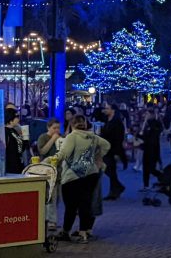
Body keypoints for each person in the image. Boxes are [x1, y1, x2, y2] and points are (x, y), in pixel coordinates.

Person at [56, 115, 110, 244]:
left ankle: (66, 231)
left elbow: (63, 154)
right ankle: (83, 233)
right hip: (90, 174)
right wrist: (98, 157)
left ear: (72, 125)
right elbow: (107, 145)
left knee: (70, 206)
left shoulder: (72, 137)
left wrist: (49, 161)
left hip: (72, 176)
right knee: (85, 204)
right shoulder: (93, 137)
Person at [37, 118, 63, 229]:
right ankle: (51, 220)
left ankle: (51, 217)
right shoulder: (43, 137)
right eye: (54, 128)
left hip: (59, 171)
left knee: (57, 197)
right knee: (50, 196)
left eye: (58, 128)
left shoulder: (61, 138)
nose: (56, 130)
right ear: (48, 127)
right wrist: (52, 139)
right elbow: (42, 151)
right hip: (48, 171)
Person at [101, 103, 127, 201]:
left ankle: (114, 191)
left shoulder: (117, 122)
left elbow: (119, 138)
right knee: (108, 169)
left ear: (113, 110)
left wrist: (117, 152)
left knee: (110, 169)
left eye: (107, 108)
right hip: (106, 149)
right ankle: (117, 187)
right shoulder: (107, 120)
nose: (105, 110)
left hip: (113, 149)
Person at [140, 109, 164, 190]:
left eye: (148, 114)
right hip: (146, 148)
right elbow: (142, 134)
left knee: (152, 169)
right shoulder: (145, 124)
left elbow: (158, 131)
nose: (146, 116)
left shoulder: (156, 123)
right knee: (145, 168)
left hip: (154, 149)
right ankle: (145, 185)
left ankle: (163, 177)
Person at [4, 108, 25, 174]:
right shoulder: (5, 132)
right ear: (11, 119)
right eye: (17, 117)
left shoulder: (14, 130)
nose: (18, 119)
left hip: (18, 163)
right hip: (10, 166)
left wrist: (25, 139)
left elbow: (20, 148)